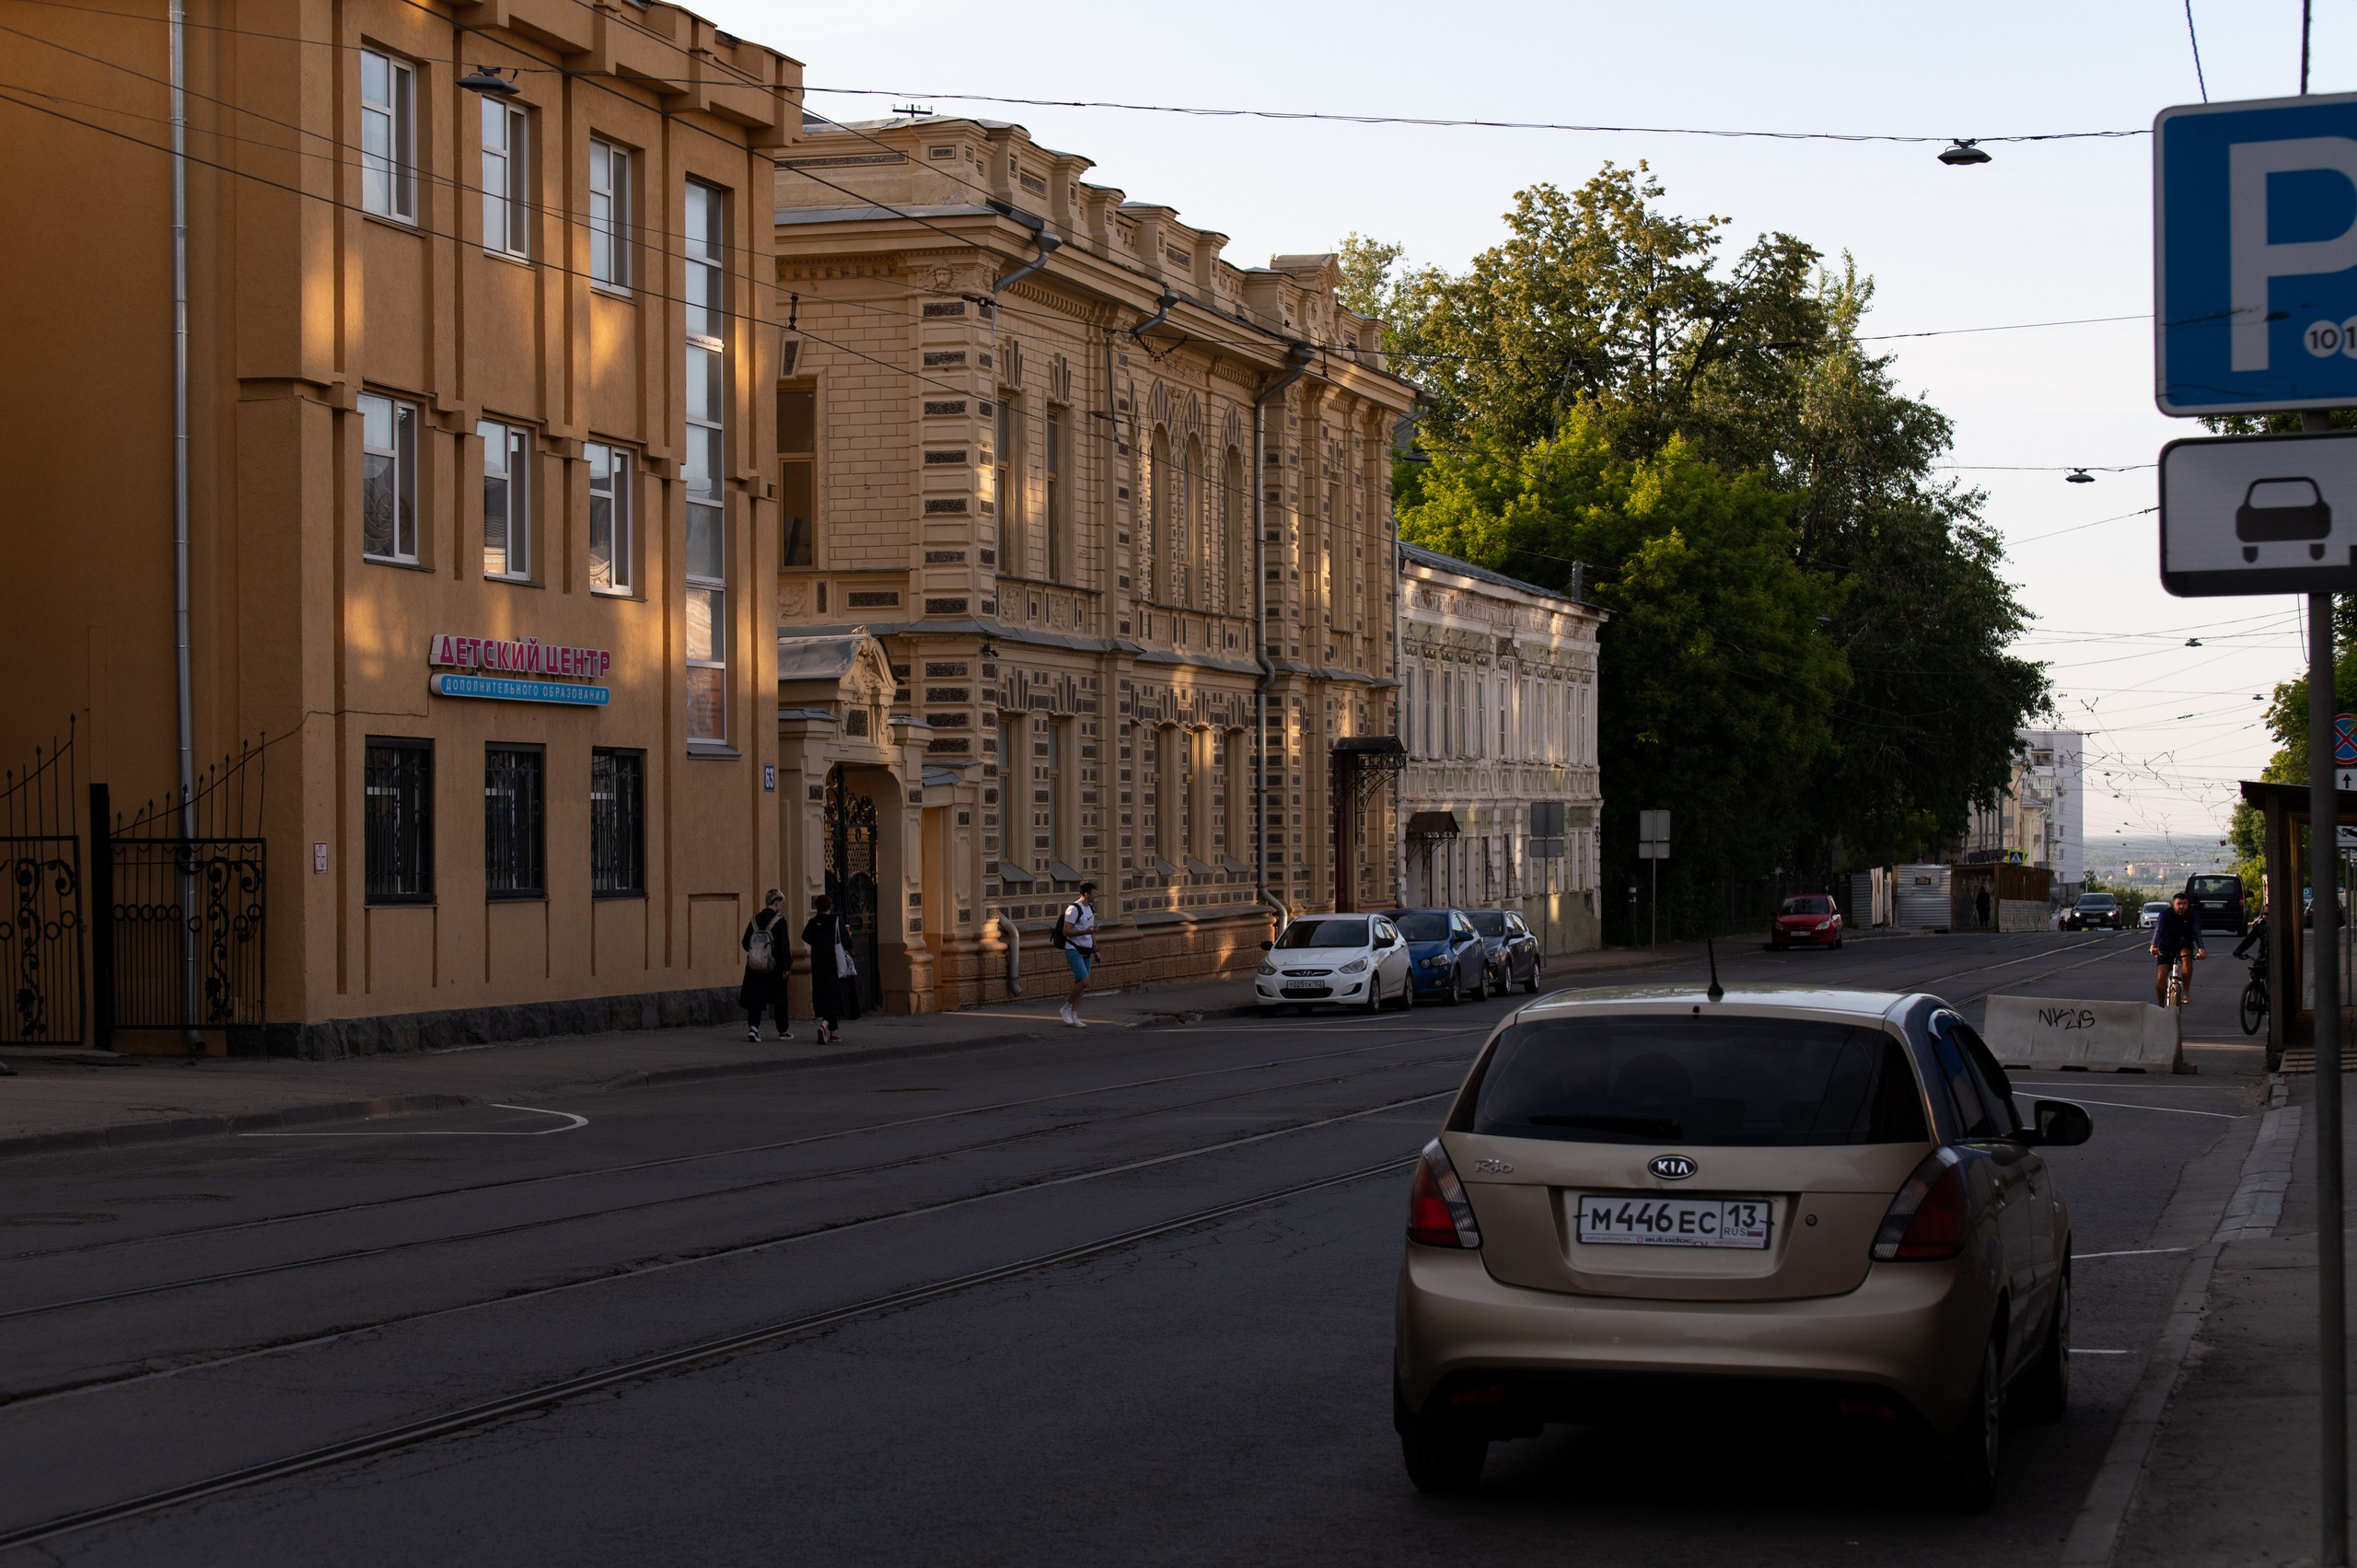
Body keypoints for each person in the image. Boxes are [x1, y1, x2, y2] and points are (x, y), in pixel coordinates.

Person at [802, 893, 861, 1044]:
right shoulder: (836, 921)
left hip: (818, 963)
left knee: (823, 994)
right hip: (834, 964)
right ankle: (824, 1025)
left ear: (817, 907)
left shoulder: (813, 922)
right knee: (835, 996)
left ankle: (834, 1033)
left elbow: (806, 937)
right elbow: (847, 942)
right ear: (831, 906)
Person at [738, 889, 792, 1042]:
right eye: (780, 902)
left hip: (755, 966)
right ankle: (783, 1031)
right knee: (779, 999)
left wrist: (756, 953)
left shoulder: (754, 920)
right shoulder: (780, 921)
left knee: (756, 998)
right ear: (776, 903)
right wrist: (786, 966)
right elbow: (784, 946)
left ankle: (753, 1028)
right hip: (774, 967)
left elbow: (744, 943)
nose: (781, 905)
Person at [2150, 889, 2206, 1005]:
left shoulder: (2193, 915)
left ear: (2188, 904)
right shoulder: (2165, 915)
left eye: (2184, 904)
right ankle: (2161, 1007)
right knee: (2161, 976)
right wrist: (2153, 946)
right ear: (2173, 904)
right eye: (2178, 904)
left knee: (2187, 958)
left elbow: (2196, 932)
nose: (2181, 906)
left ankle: (2185, 992)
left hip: (2184, 943)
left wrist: (2202, 950)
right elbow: (2158, 930)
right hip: (2167, 945)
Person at [1057, 881, 1097, 1028]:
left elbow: (1091, 931)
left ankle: (1074, 1015)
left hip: (1087, 950)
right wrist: (1084, 932)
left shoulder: (1090, 909)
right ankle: (1066, 1008)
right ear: (1086, 894)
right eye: (1094, 893)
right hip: (1073, 949)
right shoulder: (1074, 909)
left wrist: (1096, 950)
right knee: (1083, 981)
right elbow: (1066, 931)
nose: (1095, 895)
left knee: (1081, 985)